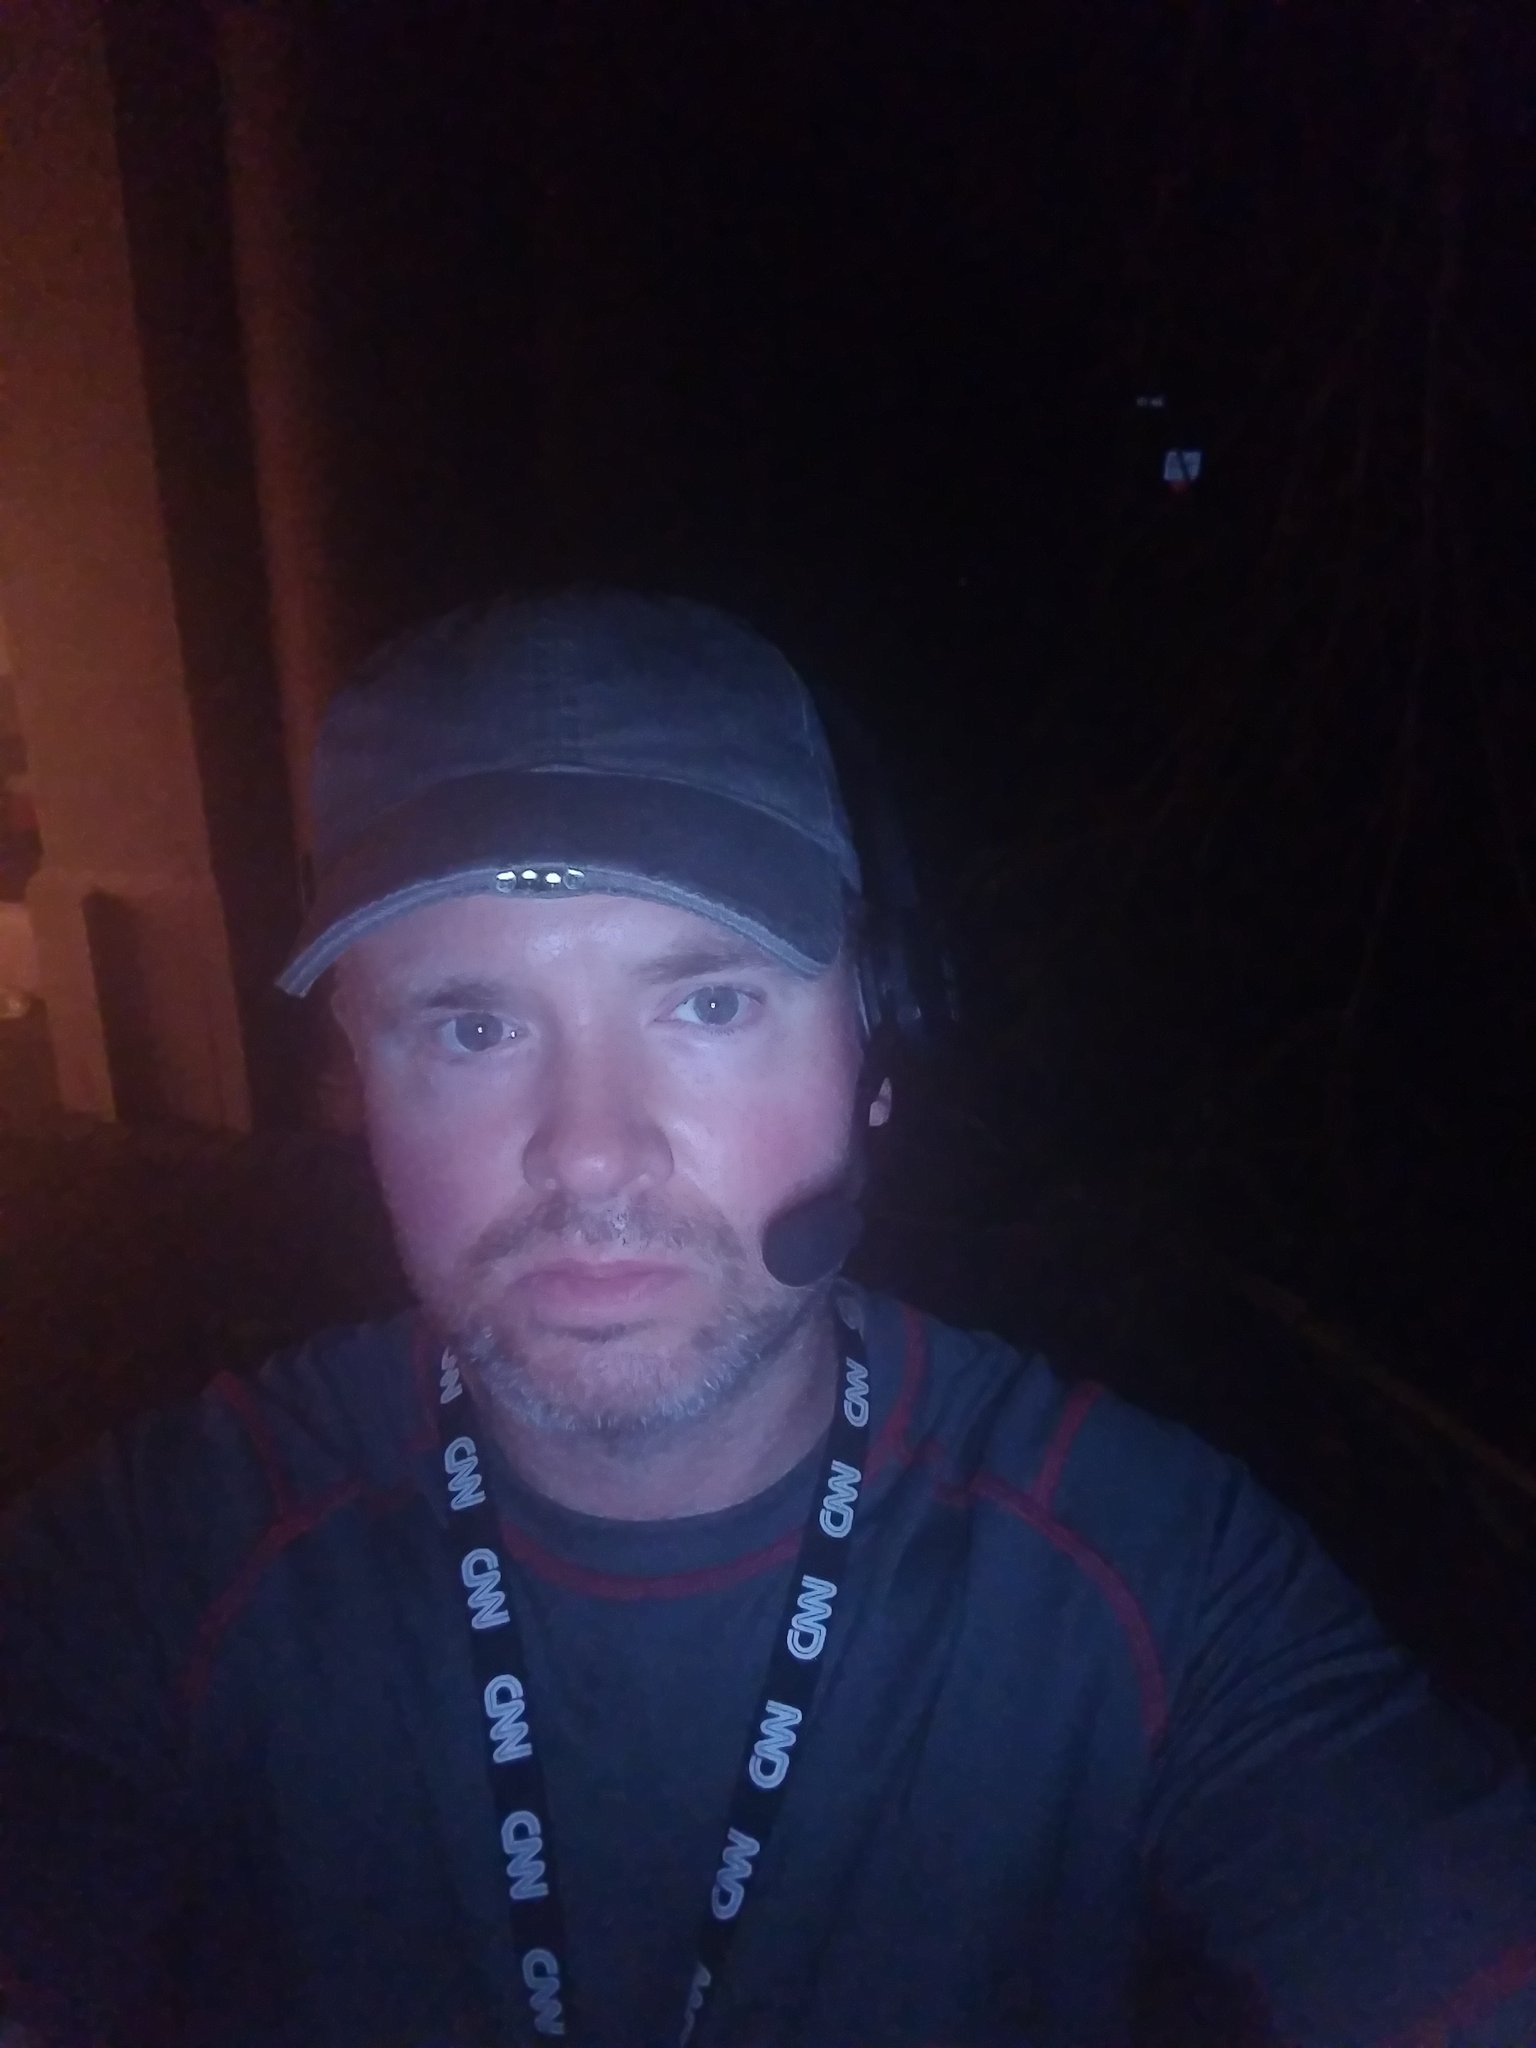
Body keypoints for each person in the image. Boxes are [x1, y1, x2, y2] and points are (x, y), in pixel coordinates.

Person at [1, 589, 1533, 2048]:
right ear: (356, 1083)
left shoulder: (1150, 1572)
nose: (588, 1151)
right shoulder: (159, 1564)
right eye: (470, 1027)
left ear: (880, 1053)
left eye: (711, 1003)